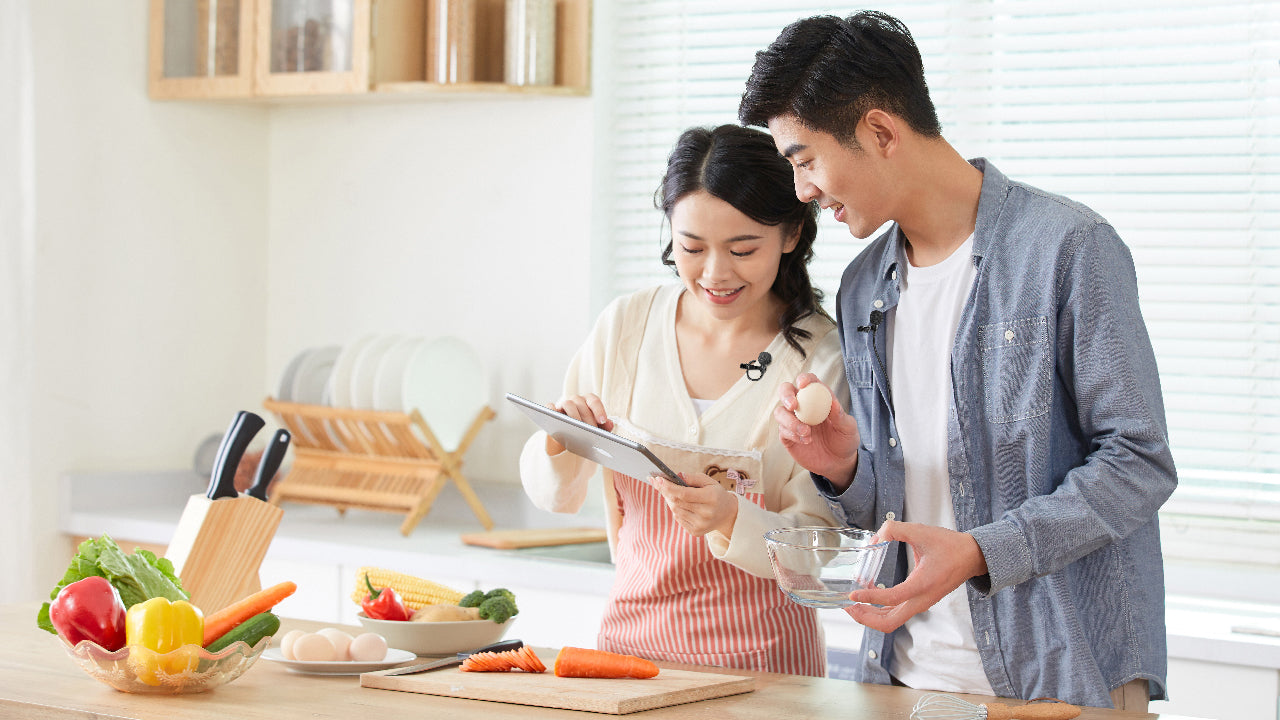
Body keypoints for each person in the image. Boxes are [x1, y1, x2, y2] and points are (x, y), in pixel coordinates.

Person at [738, 11, 1177, 711]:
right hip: (903, 678)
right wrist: (845, 469)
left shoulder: (1068, 249)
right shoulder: (863, 288)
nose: (803, 192)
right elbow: (902, 513)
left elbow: (1139, 461)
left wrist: (980, 552)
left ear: (881, 132)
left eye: (805, 160)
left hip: (1059, 681)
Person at [518, 124, 848, 677]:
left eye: (743, 249)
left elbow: (822, 540)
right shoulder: (627, 324)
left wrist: (730, 516)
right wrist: (559, 437)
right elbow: (553, 491)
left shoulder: (820, 357)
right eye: (692, 248)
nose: (715, 274)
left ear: (791, 233)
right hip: (629, 650)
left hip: (764, 667)